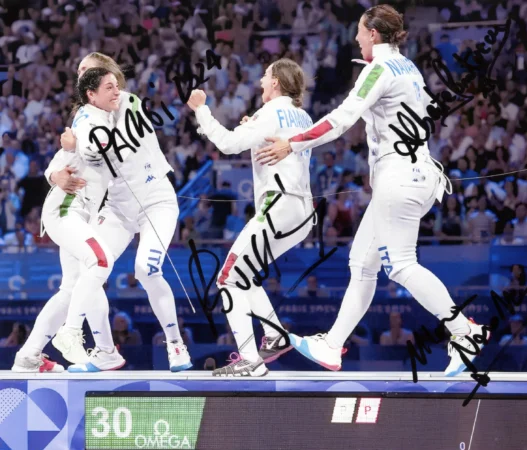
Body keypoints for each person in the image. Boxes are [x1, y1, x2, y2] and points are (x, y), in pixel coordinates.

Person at [255, 4, 487, 376]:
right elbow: (415, 120)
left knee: (401, 265)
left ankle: (464, 331)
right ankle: (332, 346)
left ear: (374, 34)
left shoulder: (378, 68)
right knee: (362, 264)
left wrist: (292, 143)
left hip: (403, 178)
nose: (358, 38)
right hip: (413, 173)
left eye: (361, 32)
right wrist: (381, 164)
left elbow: (340, 118)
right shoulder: (407, 67)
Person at [49, 53, 192, 373]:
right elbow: (84, 151)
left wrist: (83, 148)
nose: (82, 76)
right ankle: (88, 342)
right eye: (81, 73)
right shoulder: (84, 116)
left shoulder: (129, 103)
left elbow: (110, 148)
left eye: (90, 71)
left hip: (157, 203)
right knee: (94, 263)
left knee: (146, 270)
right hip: (117, 209)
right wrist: (69, 155)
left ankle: (175, 344)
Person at [186, 58, 314, 376]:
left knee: (228, 279)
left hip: (278, 207)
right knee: (244, 276)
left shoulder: (269, 112)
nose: (260, 79)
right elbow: (264, 139)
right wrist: (253, 127)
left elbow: (229, 145)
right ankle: (274, 335)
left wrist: (201, 109)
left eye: (266, 75)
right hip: (302, 214)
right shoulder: (302, 115)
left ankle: (249, 359)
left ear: (277, 82)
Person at [11, 68, 119, 373]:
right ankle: (70, 333)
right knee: (100, 261)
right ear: (91, 95)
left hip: (80, 214)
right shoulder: (87, 120)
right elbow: (69, 156)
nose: (116, 92)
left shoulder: (108, 119)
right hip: (65, 209)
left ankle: (28, 356)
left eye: (117, 87)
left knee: (71, 288)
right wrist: (55, 171)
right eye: (109, 87)